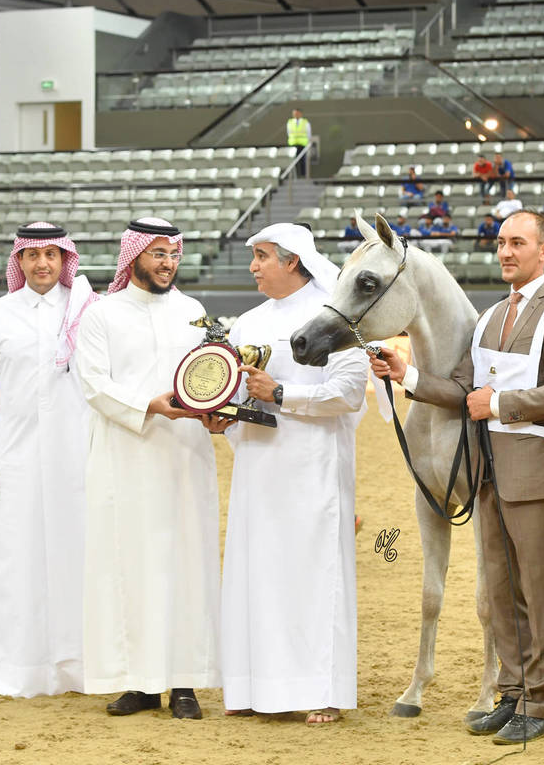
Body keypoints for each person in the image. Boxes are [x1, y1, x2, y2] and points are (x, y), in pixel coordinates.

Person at [371, 210, 544, 745]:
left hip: (537, 472)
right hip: (489, 474)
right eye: (501, 242)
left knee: (540, 591)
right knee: (502, 589)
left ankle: (541, 701)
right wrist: (410, 376)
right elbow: (463, 387)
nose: (507, 252)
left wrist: (501, 403)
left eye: (519, 242)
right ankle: (511, 692)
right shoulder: (490, 317)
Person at [216, 222, 368, 724]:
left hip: (314, 466)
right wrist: (221, 413)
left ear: (292, 261)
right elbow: (238, 392)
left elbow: (347, 393)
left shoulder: (335, 320)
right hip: (258, 468)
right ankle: (253, 686)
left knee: (312, 575)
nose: (254, 266)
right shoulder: (247, 323)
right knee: (256, 573)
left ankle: (323, 690)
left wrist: (281, 394)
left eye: (261, 256)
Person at [75, 218, 221, 719]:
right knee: (131, 567)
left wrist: (214, 406)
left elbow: (208, 375)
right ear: (133, 255)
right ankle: (139, 683)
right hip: (126, 458)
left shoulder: (193, 311)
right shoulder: (102, 314)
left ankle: (183, 683)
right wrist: (149, 405)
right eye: (158, 254)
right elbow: (92, 384)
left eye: (174, 254)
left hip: (184, 457)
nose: (167, 263)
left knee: (184, 565)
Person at [0, 222, 98, 698]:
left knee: (76, 558)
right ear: (18, 262)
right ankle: (12, 671)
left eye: (51, 255)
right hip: (13, 461)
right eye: (33, 255)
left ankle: (79, 670)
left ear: (65, 260)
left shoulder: (88, 312)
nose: (42, 264)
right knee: (12, 562)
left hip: (78, 458)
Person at [286, 108, 311, 178]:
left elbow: (309, 134)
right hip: (293, 144)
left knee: (303, 160)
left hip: (302, 144)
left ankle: (303, 175)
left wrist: (307, 142)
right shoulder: (290, 122)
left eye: (296, 113)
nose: (295, 115)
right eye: (294, 113)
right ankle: (295, 176)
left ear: (300, 114)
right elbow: (288, 133)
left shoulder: (305, 122)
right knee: (294, 161)